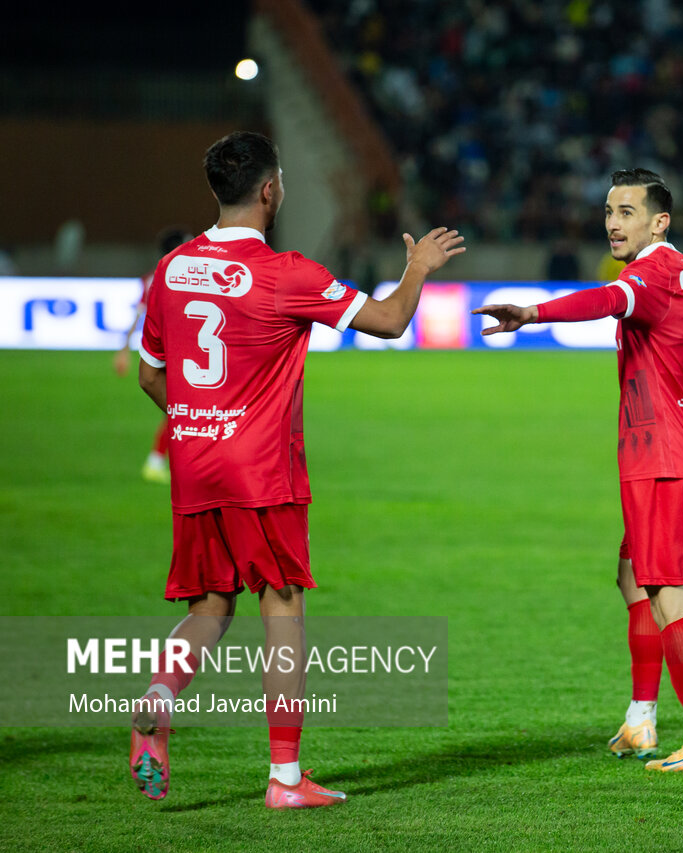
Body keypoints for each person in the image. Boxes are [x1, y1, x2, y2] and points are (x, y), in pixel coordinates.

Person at [130, 130, 465, 807]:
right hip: (260, 472)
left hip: (195, 464)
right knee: (282, 612)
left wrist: (201, 424)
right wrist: (419, 266)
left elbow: (148, 375)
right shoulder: (287, 273)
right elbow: (390, 321)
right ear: (270, 190)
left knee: (209, 606)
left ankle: (160, 693)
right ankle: (285, 779)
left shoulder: (171, 269)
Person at [473, 168, 683, 773]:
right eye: (608, 212)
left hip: (660, 457)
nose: (613, 224)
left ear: (659, 222)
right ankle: (641, 719)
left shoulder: (648, 274)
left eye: (627, 212)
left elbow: (606, 301)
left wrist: (531, 312)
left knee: (669, 595)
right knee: (632, 576)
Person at [115, 226, 195, 483]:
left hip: (161, 351)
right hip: (176, 351)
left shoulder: (153, 276)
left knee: (180, 408)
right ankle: (159, 461)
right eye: (188, 242)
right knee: (185, 408)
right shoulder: (181, 275)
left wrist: (124, 350)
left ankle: (163, 462)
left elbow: (138, 314)